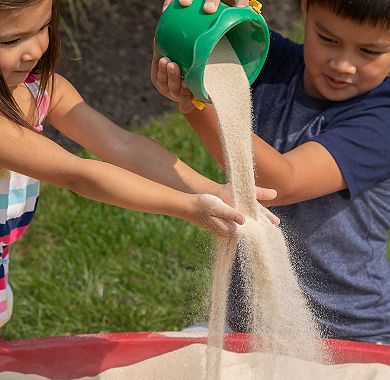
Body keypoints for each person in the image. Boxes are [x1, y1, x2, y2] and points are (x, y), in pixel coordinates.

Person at [0, 0, 280, 330]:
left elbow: (124, 146)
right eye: (10, 40)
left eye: (42, 27)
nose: (34, 50)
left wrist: (214, 191)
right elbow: (79, 174)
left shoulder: (42, 91)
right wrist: (188, 207)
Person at [153, 0, 390, 344]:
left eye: (369, 51)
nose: (343, 64)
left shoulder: (382, 118)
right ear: (305, 9)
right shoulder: (265, 56)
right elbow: (186, 39)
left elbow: (281, 182)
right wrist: (196, 16)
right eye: (328, 39)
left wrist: (193, 103)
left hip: (348, 333)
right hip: (246, 320)